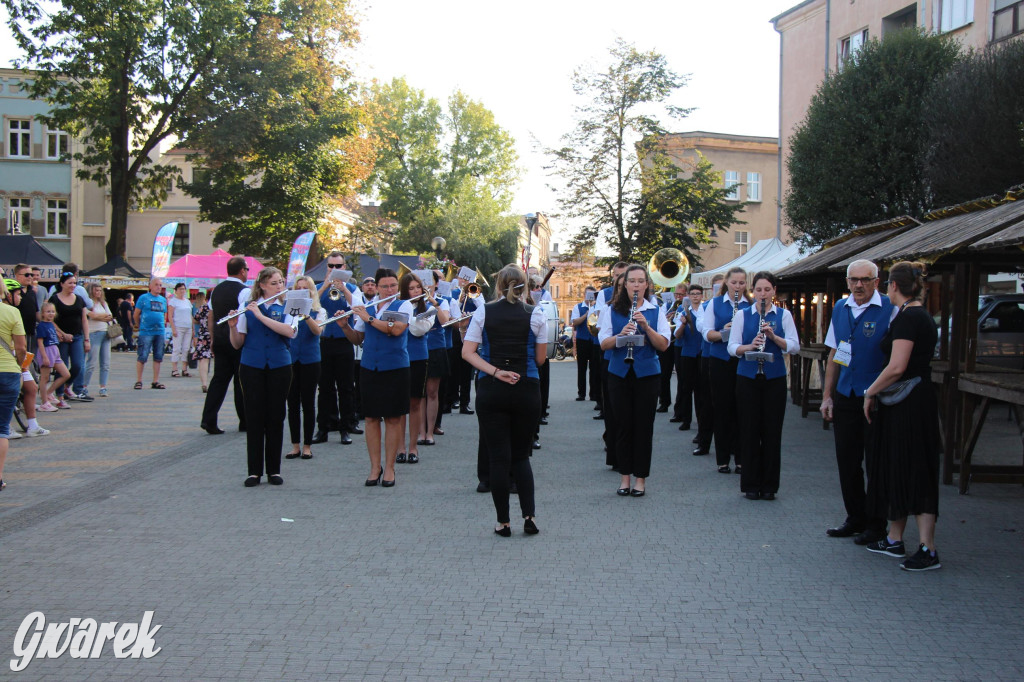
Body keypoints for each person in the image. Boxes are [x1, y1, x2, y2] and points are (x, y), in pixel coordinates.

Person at [862, 261, 942, 571]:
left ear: (892, 286)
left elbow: (897, 366)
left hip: (911, 403)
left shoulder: (911, 318)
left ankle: (928, 547)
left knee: (916, 468)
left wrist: (870, 392)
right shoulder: (915, 315)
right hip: (909, 400)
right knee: (898, 464)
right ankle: (895, 539)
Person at [462, 264, 545, 536]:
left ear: (499, 286)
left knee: (499, 458)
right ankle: (529, 517)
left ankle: (503, 523)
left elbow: (468, 353)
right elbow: (541, 359)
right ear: (525, 286)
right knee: (521, 456)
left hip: (492, 388)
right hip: (526, 387)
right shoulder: (537, 314)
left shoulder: (484, 311)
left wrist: (497, 371)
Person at [820, 259, 896, 544]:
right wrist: (828, 396)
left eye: (865, 280)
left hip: (875, 397)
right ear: (847, 282)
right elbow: (835, 355)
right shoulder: (841, 308)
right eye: (854, 280)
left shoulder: (890, 309)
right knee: (847, 461)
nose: (859, 285)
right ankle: (855, 516)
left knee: (876, 462)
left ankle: (877, 524)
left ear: (877, 281)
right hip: (846, 394)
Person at [598, 264, 671, 497]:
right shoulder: (611, 310)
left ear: (647, 285)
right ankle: (625, 478)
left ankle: (641, 479)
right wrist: (621, 336)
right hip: (619, 374)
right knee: (622, 426)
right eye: (632, 281)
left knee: (643, 427)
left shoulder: (655, 311)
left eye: (641, 281)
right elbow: (603, 343)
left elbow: (663, 345)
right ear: (625, 284)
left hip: (647, 375)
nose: (637, 285)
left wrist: (645, 327)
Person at [341, 268, 417, 488]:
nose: (389, 290)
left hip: (395, 368)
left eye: (393, 285)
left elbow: (396, 330)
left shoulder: (403, 305)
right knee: (372, 419)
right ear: (376, 287)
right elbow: (358, 339)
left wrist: (370, 318)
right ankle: (375, 467)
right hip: (369, 368)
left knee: (393, 419)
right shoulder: (368, 306)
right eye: (385, 286)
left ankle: (390, 467)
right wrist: (345, 326)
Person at [729, 272, 800, 500]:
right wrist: (750, 346)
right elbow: (732, 347)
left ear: (774, 291)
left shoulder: (784, 315)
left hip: (774, 378)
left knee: (772, 432)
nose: (762, 294)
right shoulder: (743, 315)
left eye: (767, 290)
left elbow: (794, 346)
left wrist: (774, 337)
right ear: (753, 292)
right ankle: (750, 484)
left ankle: (769, 486)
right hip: (747, 377)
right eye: (758, 290)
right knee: (749, 430)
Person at [228, 267, 296, 486]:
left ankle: (273, 470)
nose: (279, 286)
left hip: (279, 365)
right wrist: (232, 328)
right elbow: (238, 343)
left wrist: (260, 315)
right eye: (274, 283)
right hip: (252, 365)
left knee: (276, 416)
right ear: (263, 285)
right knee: (255, 417)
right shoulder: (246, 307)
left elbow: (289, 331)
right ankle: (254, 471)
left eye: (281, 282)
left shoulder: (288, 306)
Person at [702, 266, 751, 473]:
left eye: (741, 283)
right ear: (726, 283)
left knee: (743, 410)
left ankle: (741, 458)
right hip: (721, 360)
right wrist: (725, 332)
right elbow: (707, 334)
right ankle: (722, 459)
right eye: (734, 283)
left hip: (743, 360)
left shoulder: (752, 305)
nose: (737, 287)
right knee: (722, 408)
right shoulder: (714, 304)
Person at [313, 251, 363, 446]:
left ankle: (346, 426)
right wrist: (326, 285)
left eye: (338, 266)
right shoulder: (318, 287)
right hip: (324, 341)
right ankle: (323, 428)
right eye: (331, 266)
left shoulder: (352, 288)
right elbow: (311, 304)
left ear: (344, 268)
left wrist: (343, 289)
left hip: (344, 342)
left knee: (346, 387)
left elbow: (358, 306)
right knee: (324, 388)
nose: (334, 269)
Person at [201, 257, 250, 434]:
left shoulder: (216, 290)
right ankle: (244, 421)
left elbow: (211, 316)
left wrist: (212, 338)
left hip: (220, 339)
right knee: (240, 380)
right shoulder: (244, 291)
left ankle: (208, 419)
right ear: (242, 271)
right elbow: (245, 316)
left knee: (219, 380)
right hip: (236, 338)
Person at [285, 276, 325, 460]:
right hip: (292, 360)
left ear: (312, 292)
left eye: (306, 289)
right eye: (298, 289)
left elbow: (318, 331)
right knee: (292, 403)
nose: (303, 292)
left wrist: (307, 315)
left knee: (308, 403)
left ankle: (307, 445)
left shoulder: (319, 311)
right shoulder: (289, 312)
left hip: (311, 360)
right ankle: (295, 445)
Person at [2, 279, 47, 437]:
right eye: (17, 294)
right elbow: (21, 345)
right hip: (11, 361)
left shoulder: (14, 312)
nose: (20, 297)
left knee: (31, 387)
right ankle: (6, 426)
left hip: (15, 359)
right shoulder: (12, 313)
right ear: (7, 295)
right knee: (8, 392)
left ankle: (32, 424)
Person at [397, 272, 432, 464]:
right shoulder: (400, 306)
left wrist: (407, 315)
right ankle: (400, 447)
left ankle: (413, 447)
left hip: (419, 357)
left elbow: (417, 329)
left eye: (418, 287)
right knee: (401, 404)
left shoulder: (427, 309)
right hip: (400, 358)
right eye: (411, 288)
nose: (415, 291)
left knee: (415, 403)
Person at [0, 278, 30, 490]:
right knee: (1, 428)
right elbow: (21, 347)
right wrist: (20, 365)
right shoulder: (12, 312)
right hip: (9, 372)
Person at [49, 272, 92, 402]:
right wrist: (62, 333)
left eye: (74, 283)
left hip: (77, 336)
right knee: (61, 366)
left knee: (78, 365)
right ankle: (59, 393)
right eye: (70, 283)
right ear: (62, 284)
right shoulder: (54, 299)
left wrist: (87, 339)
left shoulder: (79, 299)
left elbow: (84, 319)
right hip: (61, 338)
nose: (73, 285)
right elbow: (50, 319)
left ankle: (67, 386)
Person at [691, 274, 723, 453]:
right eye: (717, 288)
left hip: (731, 358)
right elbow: (701, 327)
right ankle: (704, 441)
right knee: (707, 401)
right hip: (709, 356)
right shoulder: (707, 306)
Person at [421, 274, 451, 446]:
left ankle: (430, 430)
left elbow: (444, 321)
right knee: (420, 393)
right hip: (418, 349)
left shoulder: (443, 300)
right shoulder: (412, 301)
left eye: (429, 282)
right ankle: (420, 431)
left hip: (436, 348)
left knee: (432, 392)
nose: (426, 285)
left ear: (436, 284)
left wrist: (433, 302)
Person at [671, 283, 704, 430]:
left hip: (702, 353)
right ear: (689, 296)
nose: (695, 296)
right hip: (687, 353)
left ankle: (702, 420)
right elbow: (676, 335)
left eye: (698, 294)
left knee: (701, 390)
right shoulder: (683, 312)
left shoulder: (706, 311)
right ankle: (686, 419)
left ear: (701, 296)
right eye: (693, 294)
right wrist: (683, 324)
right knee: (686, 388)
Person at [132, 278, 167, 390]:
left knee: (158, 356)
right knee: (142, 355)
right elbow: (136, 314)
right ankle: (139, 380)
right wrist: (139, 325)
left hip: (159, 331)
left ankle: (155, 381)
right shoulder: (143, 298)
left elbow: (164, 314)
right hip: (146, 331)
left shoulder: (163, 299)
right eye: (156, 284)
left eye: (160, 285)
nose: (158, 287)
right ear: (150, 286)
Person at [36, 302, 71, 410]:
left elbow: (52, 336)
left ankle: (49, 392)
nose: (51, 314)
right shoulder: (41, 325)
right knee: (45, 377)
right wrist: (44, 356)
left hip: (55, 350)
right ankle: (44, 402)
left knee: (66, 374)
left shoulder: (51, 324)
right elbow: (40, 342)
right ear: (42, 313)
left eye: (52, 311)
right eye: (48, 312)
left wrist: (59, 337)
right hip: (47, 351)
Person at [658, 284, 686, 412]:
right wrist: (669, 316)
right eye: (677, 295)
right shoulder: (667, 306)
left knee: (682, 377)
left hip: (680, 342)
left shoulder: (686, 306)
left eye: (681, 295)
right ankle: (664, 402)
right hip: (668, 342)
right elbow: (660, 320)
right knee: (664, 373)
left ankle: (680, 409)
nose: (679, 297)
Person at [352, 276, 377, 420]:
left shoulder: (377, 304)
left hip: (372, 351)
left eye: (373, 284)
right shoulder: (357, 300)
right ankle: (357, 408)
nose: (370, 286)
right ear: (362, 287)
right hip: (357, 350)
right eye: (367, 284)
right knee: (357, 381)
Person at [82, 283, 113, 398]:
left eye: (100, 290)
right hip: (93, 333)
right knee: (91, 362)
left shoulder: (103, 303)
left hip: (106, 333)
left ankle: (103, 386)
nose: (98, 292)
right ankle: (84, 386)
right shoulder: (87, 304)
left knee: (106, 362)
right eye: (96, 290)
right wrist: (101, 317)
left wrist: (98, 316)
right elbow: (91, 316)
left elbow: (109, 316)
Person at [571, 287, 599, 403]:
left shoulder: (597, 307)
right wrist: (587, 314)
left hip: (593, 340)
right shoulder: (578, 307)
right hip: (582, 340)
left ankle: (593, 394)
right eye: (588, 294)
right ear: (584, 295)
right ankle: (581, 393)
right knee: (581, 368)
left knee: (594, 368)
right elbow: (575, 322)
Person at [167, 283, 194, 378]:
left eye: (184, 289)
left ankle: (184, 368)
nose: (182, 291)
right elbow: (170, 315)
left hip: (188, 327)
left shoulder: (187, 301)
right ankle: (174, 369)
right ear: (176, 290)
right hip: (178, 327)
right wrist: (173, 328)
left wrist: (193, 328)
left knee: (186, 348)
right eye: (181, 289)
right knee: (177, 348)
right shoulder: (173, 301)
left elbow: (190, 315)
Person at [191, 291, 213, 392]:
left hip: (203, 335)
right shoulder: (219, 308)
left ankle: (204, 383)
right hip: (216, 335)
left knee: (203, 360)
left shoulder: (203, 308)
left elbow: (195, 319)